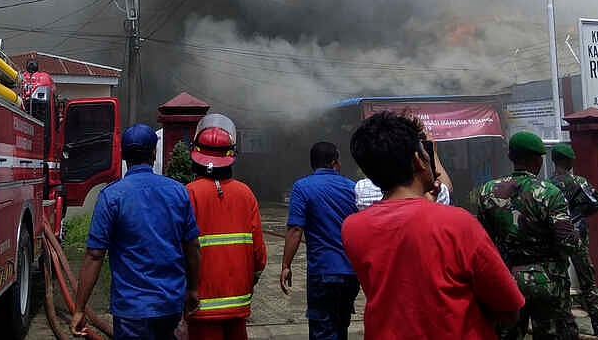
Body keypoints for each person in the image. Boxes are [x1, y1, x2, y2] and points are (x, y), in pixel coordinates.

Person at [342, 112, 524, 339]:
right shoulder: (458, 223)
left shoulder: (352, 228)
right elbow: (509, 308)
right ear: (418, 160)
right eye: (425, 151)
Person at [72, 124, 201, 339]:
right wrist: (193, 289)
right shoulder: (178, 191)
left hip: (130, 309)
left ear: (123, 155)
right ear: (154, 153)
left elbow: (94, 255)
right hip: (170, 305)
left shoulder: (111, 196)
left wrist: (79, 309)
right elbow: (193, 246)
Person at [476, 131, 581, 340]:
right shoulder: (549, 192)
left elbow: (482, 240)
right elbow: (567, 242)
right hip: (548, 280)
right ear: (538, 160)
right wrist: (576, 237)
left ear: (511, 157)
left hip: (506, 278)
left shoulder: (487, 191)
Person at [185, 114, 267, 340]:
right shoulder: (245, 193)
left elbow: (180, 249)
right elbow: (259, 253)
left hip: (200, 302)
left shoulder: (188, 193)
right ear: (231, 155)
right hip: (238, 300)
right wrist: (250, 281)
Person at [281, 142, 358, 340]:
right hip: (350, 273)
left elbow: (295, 229)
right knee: (341, 328)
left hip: (323, 272)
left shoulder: (302, 187)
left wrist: (286, 265)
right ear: (334, 162)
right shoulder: (352, 187)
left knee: (323, 331)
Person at [548, 144, 598, 337]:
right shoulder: (578, 182)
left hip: (556, 237)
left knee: (559, 279)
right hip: (577, 236)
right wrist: (579, 213)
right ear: (568, 161)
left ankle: (564, 322)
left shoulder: (547, 185)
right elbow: (597, 203)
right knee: (587, 279)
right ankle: (597, 324)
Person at [354, 135, 454, 210]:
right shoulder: (438, 193)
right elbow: (446, 190)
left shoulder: (362, 188)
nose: (437, 173)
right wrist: (433, 153)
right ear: (417, 160)